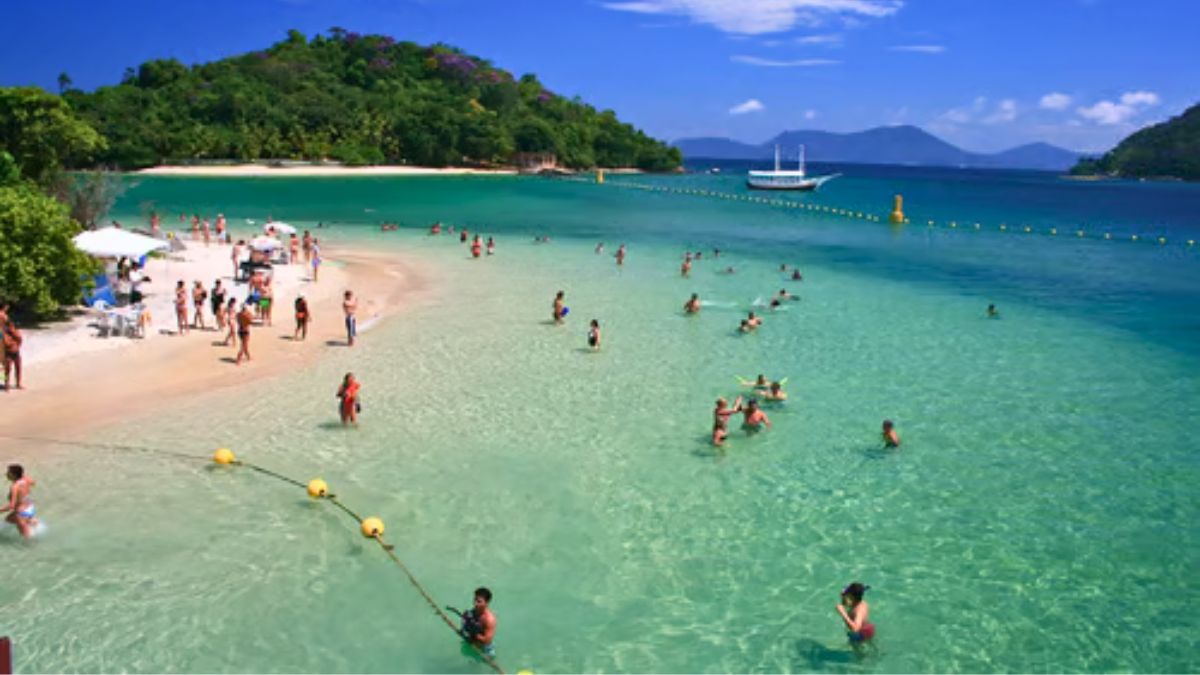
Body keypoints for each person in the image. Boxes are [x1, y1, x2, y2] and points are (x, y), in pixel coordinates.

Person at [457, 587, 497, 658]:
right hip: (471, 641)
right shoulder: (474, 611)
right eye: (475, 599)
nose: (475, 603)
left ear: (487, 603)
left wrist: (474, 633)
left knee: (489, 660)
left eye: (479, 601)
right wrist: (464, 624)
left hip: (485, 649)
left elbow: (487, 640)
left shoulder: (489, 620)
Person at [2, 464, 38, 539]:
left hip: (21, 514)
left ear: (14, 475)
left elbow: (11, 506)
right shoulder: (26, 479)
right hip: (30, 508)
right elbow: (33, 483)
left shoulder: (14, 487)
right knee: (8, 520)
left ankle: (28, 524)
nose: (6, 474)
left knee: (27, 539)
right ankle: (31, 521)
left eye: (9, 473)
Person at [3, 317, 22, 391]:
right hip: (8, 353)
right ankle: (6, 384)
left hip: (16, 352)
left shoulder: (16, 332)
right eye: (10, 326)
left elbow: (20, 339)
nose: (12, 327)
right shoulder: (4, 334)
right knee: (7, 370)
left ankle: (18, 384)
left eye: (13, 326)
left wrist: (16, 345)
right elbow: (5, 343)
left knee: (18, 368)